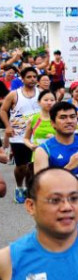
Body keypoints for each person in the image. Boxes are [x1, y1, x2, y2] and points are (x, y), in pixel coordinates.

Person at [32, 101, 78, 223]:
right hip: (55, 213)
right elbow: (40, 185)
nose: (69, 121)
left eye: (72, 117)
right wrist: (69, 167)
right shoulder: (44, 150)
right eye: (63, 117)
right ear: (53, 123)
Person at [1, 67, 39, 203]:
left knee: (33, 165)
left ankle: (30, 189)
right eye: (29, 77)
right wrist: (8, 126)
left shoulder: (41, 93)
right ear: (22, 79)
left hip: (37, 135)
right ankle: (19, 187)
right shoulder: (14, 94)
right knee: (22, 166)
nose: (32, 79)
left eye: (34, 77)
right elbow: (3, 110)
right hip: (18, 136)